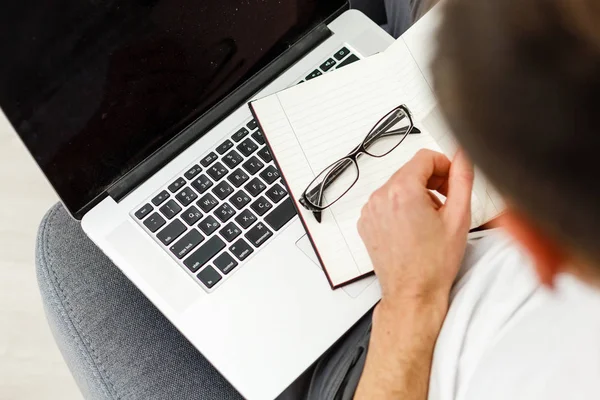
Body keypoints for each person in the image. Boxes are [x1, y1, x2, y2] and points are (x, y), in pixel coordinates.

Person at [36, 0, 600, 399]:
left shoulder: (539, 372)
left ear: (538, 244)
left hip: (391, 343)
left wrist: (410, 298)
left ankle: (151, 112)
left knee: (67, 243)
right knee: (353, 23)